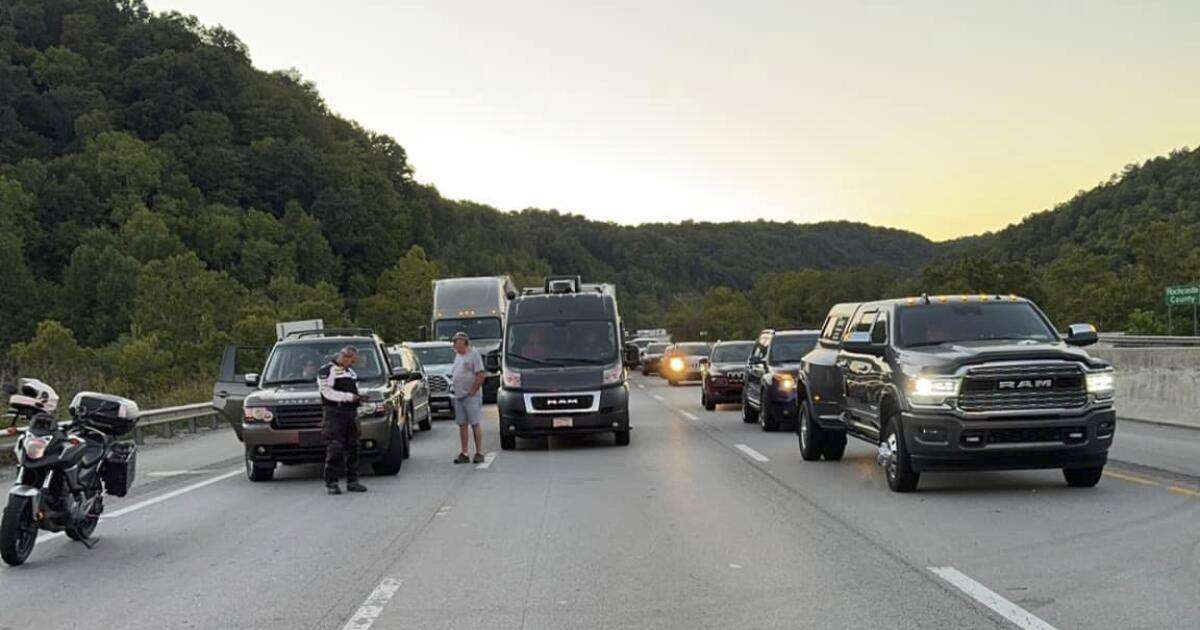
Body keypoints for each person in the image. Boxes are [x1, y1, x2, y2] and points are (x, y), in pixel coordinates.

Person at [318, 346, 367, 495]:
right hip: (334, 413)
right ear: (344, 356)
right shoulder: (327, 370)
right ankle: (331, 482)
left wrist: (360, 397)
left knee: (354, 447)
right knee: (335, 447)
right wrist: (349, 397)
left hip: (351, 413)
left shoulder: (350, 372)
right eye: (351, 361)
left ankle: (353, 481)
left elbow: (354, 391)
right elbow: (327, 393)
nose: (351, 364)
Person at [450, 332, 487, 464]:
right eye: (454, 342)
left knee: (474, 423)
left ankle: (479, 452)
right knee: (462, 424)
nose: (454, 344)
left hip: (471, 396)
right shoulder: (458, 356)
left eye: (457, 342)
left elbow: (481, 374)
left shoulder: (473, 354)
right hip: (459, 395)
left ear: (464, 342)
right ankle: (464, 452)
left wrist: (473, 390)